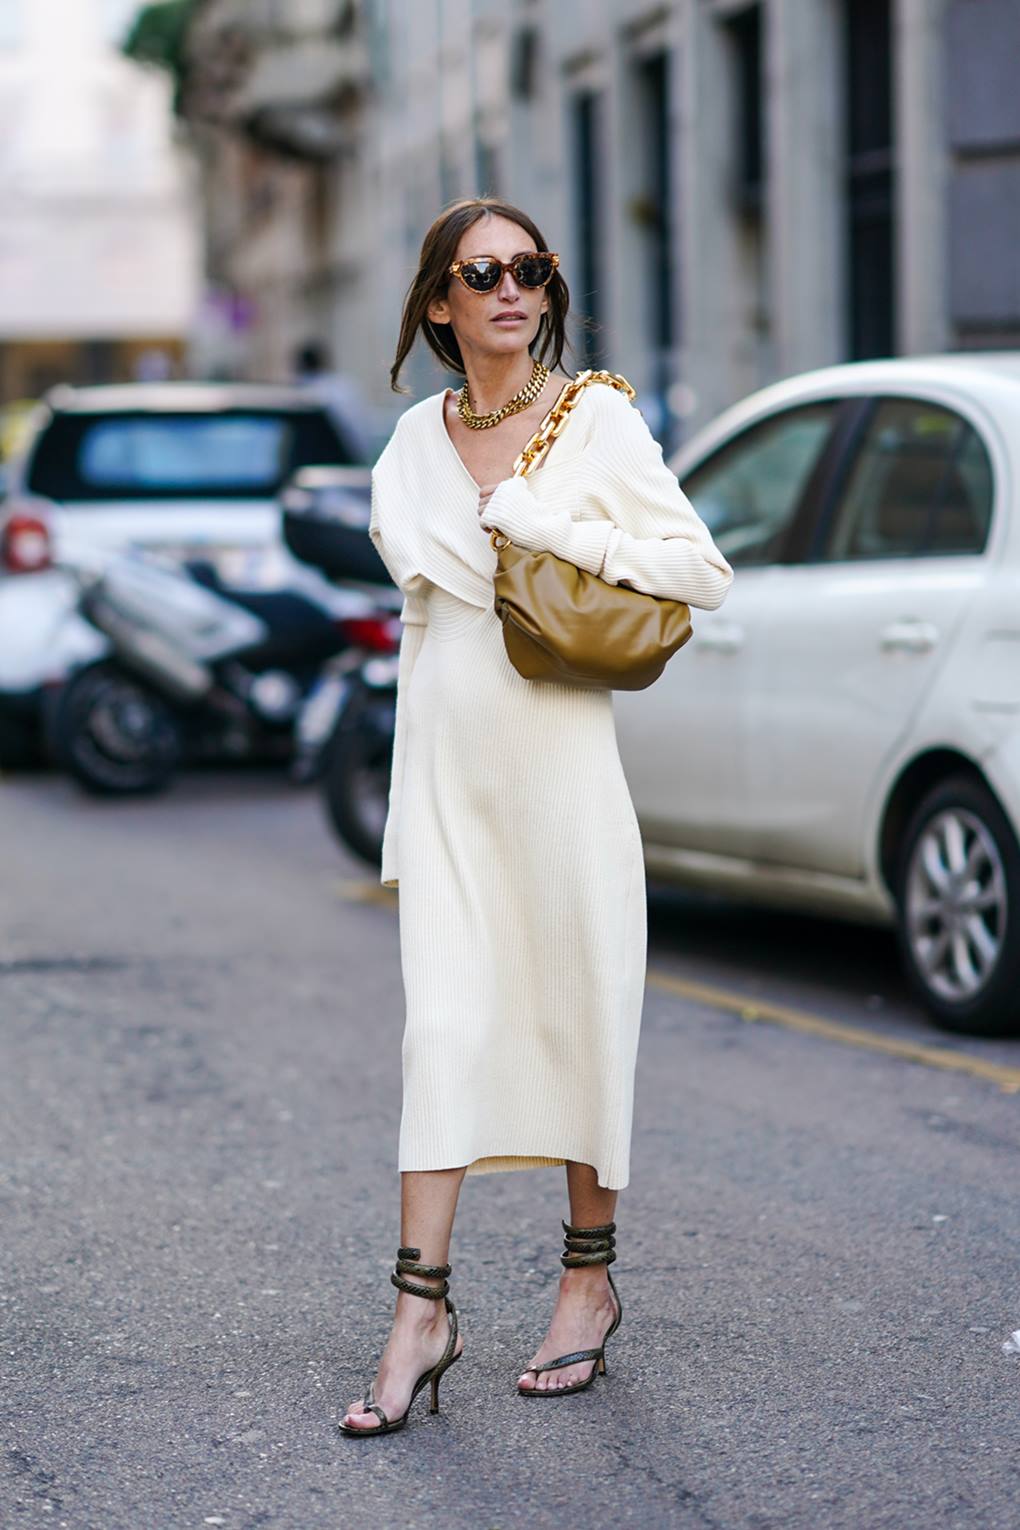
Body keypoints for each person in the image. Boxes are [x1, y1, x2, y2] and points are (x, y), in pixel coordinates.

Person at [339, 197, 733, 1436]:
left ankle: (587, 1282)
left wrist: (542, 520)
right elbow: (419, 625)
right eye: (481, 272)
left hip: (560, 767)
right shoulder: (409, 444)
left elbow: (699, 570)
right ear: (440, 305)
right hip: (452, 773)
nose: (511, 287)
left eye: (530, 268)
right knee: (442, 1033)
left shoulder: (594, 420)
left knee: (578, 1016)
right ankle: (420, 1313)